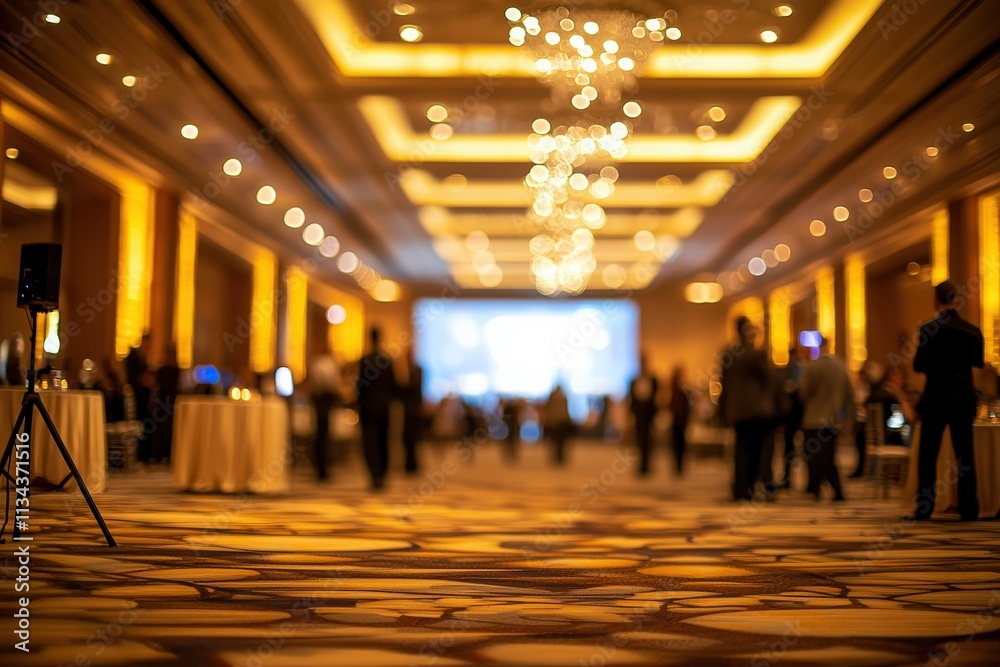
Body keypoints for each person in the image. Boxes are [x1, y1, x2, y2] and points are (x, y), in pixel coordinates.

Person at [910, 280, 985, 521]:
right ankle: (969, 508)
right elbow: (978, 362)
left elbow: (919, 365)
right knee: (965, 455)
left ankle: (924, 507)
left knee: (928, 454)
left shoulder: (928, 329)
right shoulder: (971, 330)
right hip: (962, 399)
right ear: (956, 299)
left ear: (936, 299)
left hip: (935, 399)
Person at [718, 317, 774, 501]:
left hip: (736, 411)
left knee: (740, 450)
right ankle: (751, 485)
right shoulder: (755, 354)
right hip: (756, 411)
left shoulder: (728, 354)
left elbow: (724, 384)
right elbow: (768, 380)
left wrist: (723, 411)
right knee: (756, 452)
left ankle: (740, 488)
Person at [798, 335, 854, 501]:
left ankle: (823, 488)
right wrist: (848, 417)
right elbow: (849, 394)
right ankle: (821, 487)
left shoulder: (811, 367)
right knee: (829, 454)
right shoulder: (840, 366)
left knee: (815, 455)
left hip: (813, 418)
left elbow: (803, 393)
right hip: (833, 418)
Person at [356, 327, 397, 490]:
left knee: (370, 442)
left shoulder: (365, 360)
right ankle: (382, 473)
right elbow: (393, 385)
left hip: (368, 407)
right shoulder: (387, 360)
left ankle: (374, 474)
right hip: (384, 407)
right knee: (383, 441)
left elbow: (361, 385)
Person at [307, 338, 341, 482]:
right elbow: (334, 385)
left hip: (320, 402)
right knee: (324, 435)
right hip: (326, 402)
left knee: (320, 435)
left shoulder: (317, 364)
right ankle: (323, 467)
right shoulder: (329, 364)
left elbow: (315, 386)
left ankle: (320, 467)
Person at [777, 344, 806, 488]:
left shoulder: (802, 370)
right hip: (790, 414)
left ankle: (810, 482)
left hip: (800, 413)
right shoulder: (786, 371)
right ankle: (787, 478)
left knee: (805, 447)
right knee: (788, 447)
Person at [150, 346, 181, 464]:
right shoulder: (168, 370)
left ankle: (163, 454)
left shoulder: (172, 370)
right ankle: (161, 453)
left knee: (166, 429)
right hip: (166, 403)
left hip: (167, 403)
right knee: (162, 429)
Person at [628, 355, 658, 476]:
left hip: (649, 414)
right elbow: (632, 398)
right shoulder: (634, 380)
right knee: (640, 440)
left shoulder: (653, 380)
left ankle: (647, 465)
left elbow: (656, 397)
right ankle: (641, 465)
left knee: (649, 440)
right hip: (639, 415)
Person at [398, 350, 424, 474]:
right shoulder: (404, 371)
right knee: (406, 438)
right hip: (406, 409)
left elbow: (413, 387)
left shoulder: (417, 370)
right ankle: (409, 464)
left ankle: (412, 464)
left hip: (413, 409)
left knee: (413, 437)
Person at [667, 366, 691, 476]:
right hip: (677, 421)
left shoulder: (682, 391)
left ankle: (679, 466)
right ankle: (677, 467)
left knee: (680, 444)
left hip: (681, 421)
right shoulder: (676, 391)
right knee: (677, 444)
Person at [543, 384, 572, 465]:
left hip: (560, 423)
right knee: (555, 442)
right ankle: (557, 457)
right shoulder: (555, 399)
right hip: (555, 423)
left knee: (560, 442)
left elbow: (565, 411)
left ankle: (560, 457)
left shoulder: (562, 399)